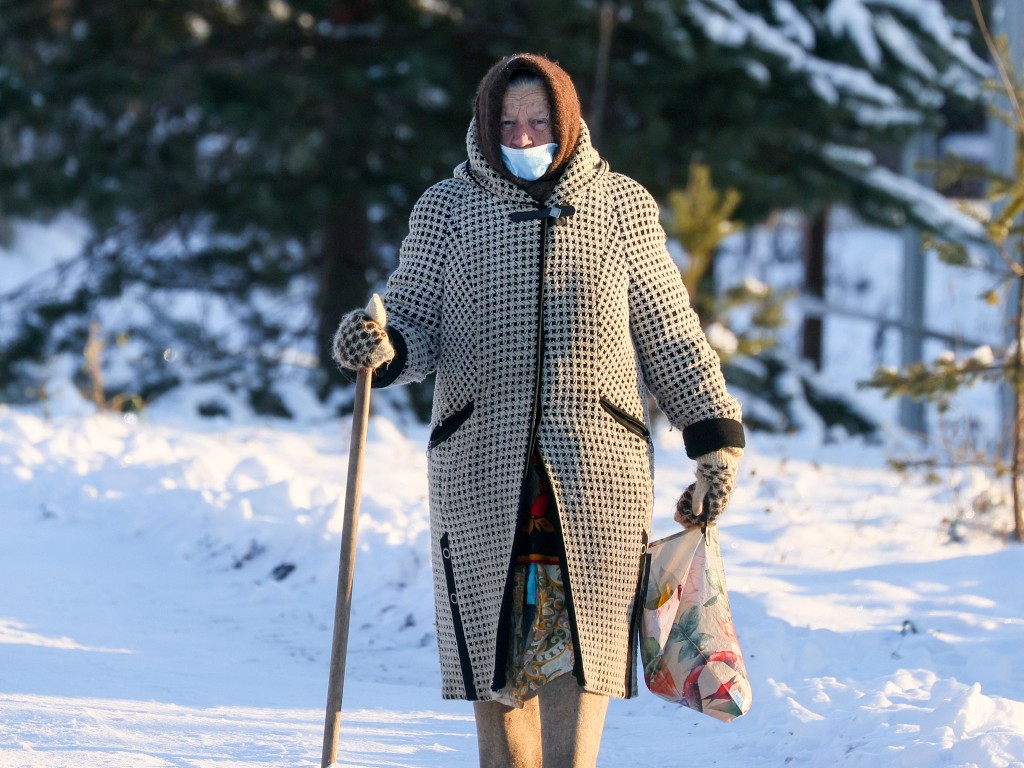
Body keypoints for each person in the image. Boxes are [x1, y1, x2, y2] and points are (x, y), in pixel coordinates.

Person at [331, 53, 744, 768]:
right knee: (498, 661)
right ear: (486, 128)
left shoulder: (621, 206)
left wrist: (713, 444)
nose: (523, 139)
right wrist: (380, 343)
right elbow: (415, 321)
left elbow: (671, 334)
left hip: (595, 476)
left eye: (539, 123)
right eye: (508, 125)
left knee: (583, 655)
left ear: (569, 122)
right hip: (482, 471)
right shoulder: (448, 208)